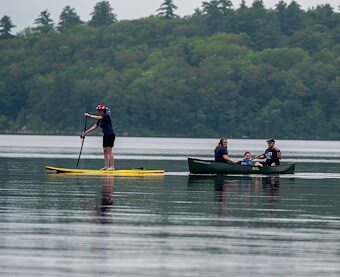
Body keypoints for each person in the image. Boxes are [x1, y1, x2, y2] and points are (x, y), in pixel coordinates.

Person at [81, 104, 115, 170]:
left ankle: (112, 167)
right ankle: (106, 166)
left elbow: (98, 117)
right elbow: (94, 127)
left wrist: (89, 115)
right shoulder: (100, 120)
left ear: (102, 111)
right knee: (105, 150)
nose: (98, 112)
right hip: (105, 135)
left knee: (109, 151)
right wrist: (85, 132)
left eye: (99, 111)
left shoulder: (106, 116)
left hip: (110, 135)